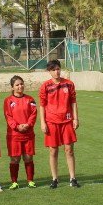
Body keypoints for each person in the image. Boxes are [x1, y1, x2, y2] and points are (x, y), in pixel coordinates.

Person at [37, 59, 79, 189]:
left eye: (58, 69)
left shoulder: (69, 84)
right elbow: (42, 105)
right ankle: (54, 179)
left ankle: (73, 178)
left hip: (66, 121)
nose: (56, 72)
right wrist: (43, 122)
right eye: (53, 70)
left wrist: (75, 118)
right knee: (53, 151)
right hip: (52, 122)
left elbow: (73, 101)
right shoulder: (45, 86)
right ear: (49, 72)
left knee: (69, 150)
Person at [5, 76, 38, 189]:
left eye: (21, 84)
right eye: (17, 85)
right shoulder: (8, 101)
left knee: (28, 157)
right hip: (14, 135)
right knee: (15, 158)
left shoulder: (30, 99)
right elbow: (8, 116)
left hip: (28, 134)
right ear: (12, 87)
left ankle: (30, 180)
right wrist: (17, 127)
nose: (20, 86)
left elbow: (33, 114)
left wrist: (28, 125)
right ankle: (14, 182)